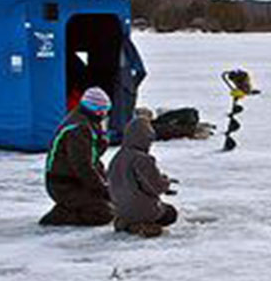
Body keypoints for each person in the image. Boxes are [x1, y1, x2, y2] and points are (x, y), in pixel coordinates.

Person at [39, 87, 114, 226]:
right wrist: (102, 189)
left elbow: (94, 158)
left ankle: (73, 205)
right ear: (90, 108)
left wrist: (106, 180)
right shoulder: (79, 129)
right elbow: (83, 166)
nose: (103, 114)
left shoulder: (90, 122)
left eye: (105, 111)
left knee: (111, 204)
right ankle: (61, 215)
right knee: (104, 214)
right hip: (63, 184)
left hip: (76, 180)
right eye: (101, 111)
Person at [107, 116, 179, 237]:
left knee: (131, 208)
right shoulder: (142, 159)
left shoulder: (117, 157)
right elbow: (155, 186)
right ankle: (143, 225)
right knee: (170, 213)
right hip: (142, 209)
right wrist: (165, 183)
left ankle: (126, 222)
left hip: (120, 209)